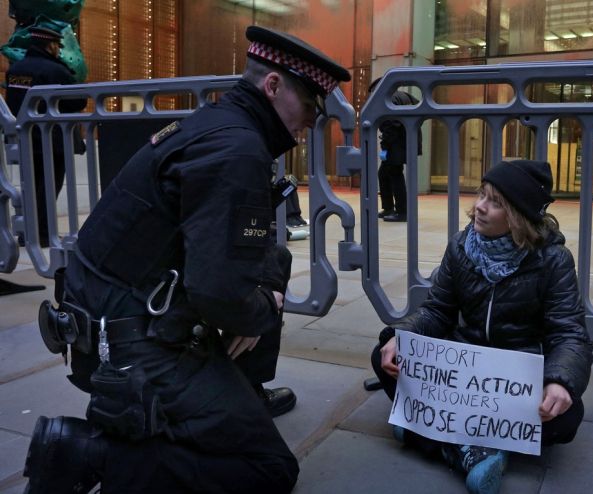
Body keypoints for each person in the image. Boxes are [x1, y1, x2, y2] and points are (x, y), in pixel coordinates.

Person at [23, 26, 349, 494]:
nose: (312, 122)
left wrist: (254, 298)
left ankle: (235, 398)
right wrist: (262, 307)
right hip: (133, 347)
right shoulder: (237, 150)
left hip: (111, 318)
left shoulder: (216, 125)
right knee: (269, 468)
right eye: (310, 106)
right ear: (273, 85)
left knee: (271, 262)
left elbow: (236, 255)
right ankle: (88, 453)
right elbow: (218, 293)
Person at [371, 160, 593, 494]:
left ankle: (430, 434)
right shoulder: (461, 246)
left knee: (567, 417)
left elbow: (569, 333)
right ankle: (477, 447)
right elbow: (437, 310)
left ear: (517, 216)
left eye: (495, 202)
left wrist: (559, 382)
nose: (480, 207)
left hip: (515, 378)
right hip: (463, 372)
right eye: (482, 195)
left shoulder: (553, 260)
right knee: (385, 356)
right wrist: (402, 336)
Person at [4, 25, 86, 247]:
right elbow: (78, 101)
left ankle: (27, 233)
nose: (59, 50)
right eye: (57, 45)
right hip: (52, 139)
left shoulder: (16, 70)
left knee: (30, 187)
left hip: (25, 138)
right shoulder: (55, 71)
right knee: (48, 188)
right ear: (50, 45)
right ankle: (42, 234)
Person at [370, 77, 421, 222]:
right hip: (407, 141)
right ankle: (389, 208)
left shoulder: (389, 98)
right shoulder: (403, 95)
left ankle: (402, 212)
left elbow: (391, 125)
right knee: (384, 173)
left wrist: (385, 145)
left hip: (396, 144)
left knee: (394, 174)